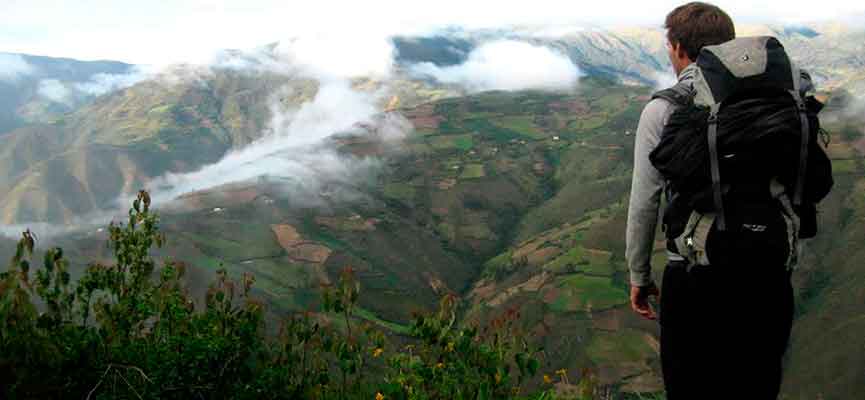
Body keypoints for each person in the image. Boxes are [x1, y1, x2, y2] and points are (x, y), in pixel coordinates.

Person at [626, 2, 795, 399]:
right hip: (769, 274)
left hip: (695, 278)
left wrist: (639, 276)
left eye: (669, 48)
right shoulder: (780, 98)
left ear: (679, 48)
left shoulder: (666, 107)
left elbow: (645, 202)